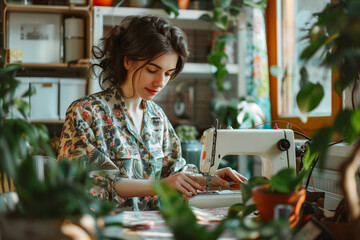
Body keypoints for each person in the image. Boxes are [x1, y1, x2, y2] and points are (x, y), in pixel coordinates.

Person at [57, 15, 246, 211]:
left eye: (167, 73)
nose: (160, 82)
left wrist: (208, 180)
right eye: (152, 70)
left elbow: (173, 173)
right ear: (128, 61)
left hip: (152, 228)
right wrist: (159, 186)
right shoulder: (85, 112)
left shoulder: (158, 118)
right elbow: (85, 183)